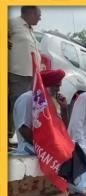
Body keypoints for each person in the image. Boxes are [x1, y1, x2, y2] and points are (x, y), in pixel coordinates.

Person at [13, 69, 69, 155]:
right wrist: (47, 147)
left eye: (59, 86)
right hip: (30, 148)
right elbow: (24, 130)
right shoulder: (27, 98)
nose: (58, 90)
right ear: (44, 86)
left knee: (80, 150)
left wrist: (64, 109)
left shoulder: (48, 102)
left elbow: (62, 131)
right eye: (56, 86)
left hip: (47, 148)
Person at [8, 6, 42, 140]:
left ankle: (12, 138)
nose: (40, 18)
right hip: (18, 73)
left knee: (24, 109)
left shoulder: (29, 29)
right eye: (39, 14)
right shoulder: (12, 23)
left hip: (31, 76)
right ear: (32, 13)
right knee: (17, 106)